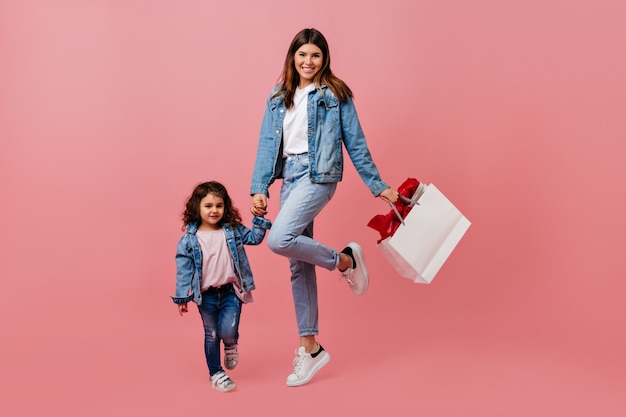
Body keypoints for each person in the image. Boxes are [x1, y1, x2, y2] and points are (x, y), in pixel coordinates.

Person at [249, 28, 399, 387]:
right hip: (291, 178)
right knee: (298, 266)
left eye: (315, 56)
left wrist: (378, 186)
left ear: (324, 59)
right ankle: (311, 347)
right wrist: (259, 188)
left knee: (279, 239)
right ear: (293, 57)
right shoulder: (277, 97)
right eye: (302, 55)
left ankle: (345, 260)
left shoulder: (335, 94)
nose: (308, 62)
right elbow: (267, 147)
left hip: (319, 175)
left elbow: (356, 142)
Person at [172, 181, 271, 392]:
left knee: (228, 330)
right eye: (208, 206)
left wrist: (260, 219)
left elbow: (254, 238)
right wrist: (182, 297)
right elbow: (184, 270)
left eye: (219, 205)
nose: (214, 210)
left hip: (231, 292)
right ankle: (216, 374)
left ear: (225, 207)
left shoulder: (232, 230)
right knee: (211, 334)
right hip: (205, 295)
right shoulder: (189, 240)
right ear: (197, 207)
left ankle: (231, 344)